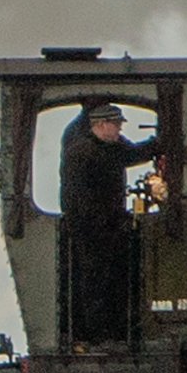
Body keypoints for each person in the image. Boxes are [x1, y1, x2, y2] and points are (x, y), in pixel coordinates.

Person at [54, 105, 143, 348]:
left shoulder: (112, 147)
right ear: (102, 125)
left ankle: (113, 334)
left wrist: (158, 145)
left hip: (110, 227)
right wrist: (99, 222)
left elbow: (133, 154)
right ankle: (96, 336)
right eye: (117, 125)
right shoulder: (81, 153)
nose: (120, 129)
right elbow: (76, 198)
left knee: (112, 281)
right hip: (90, 229)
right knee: (94, 283)